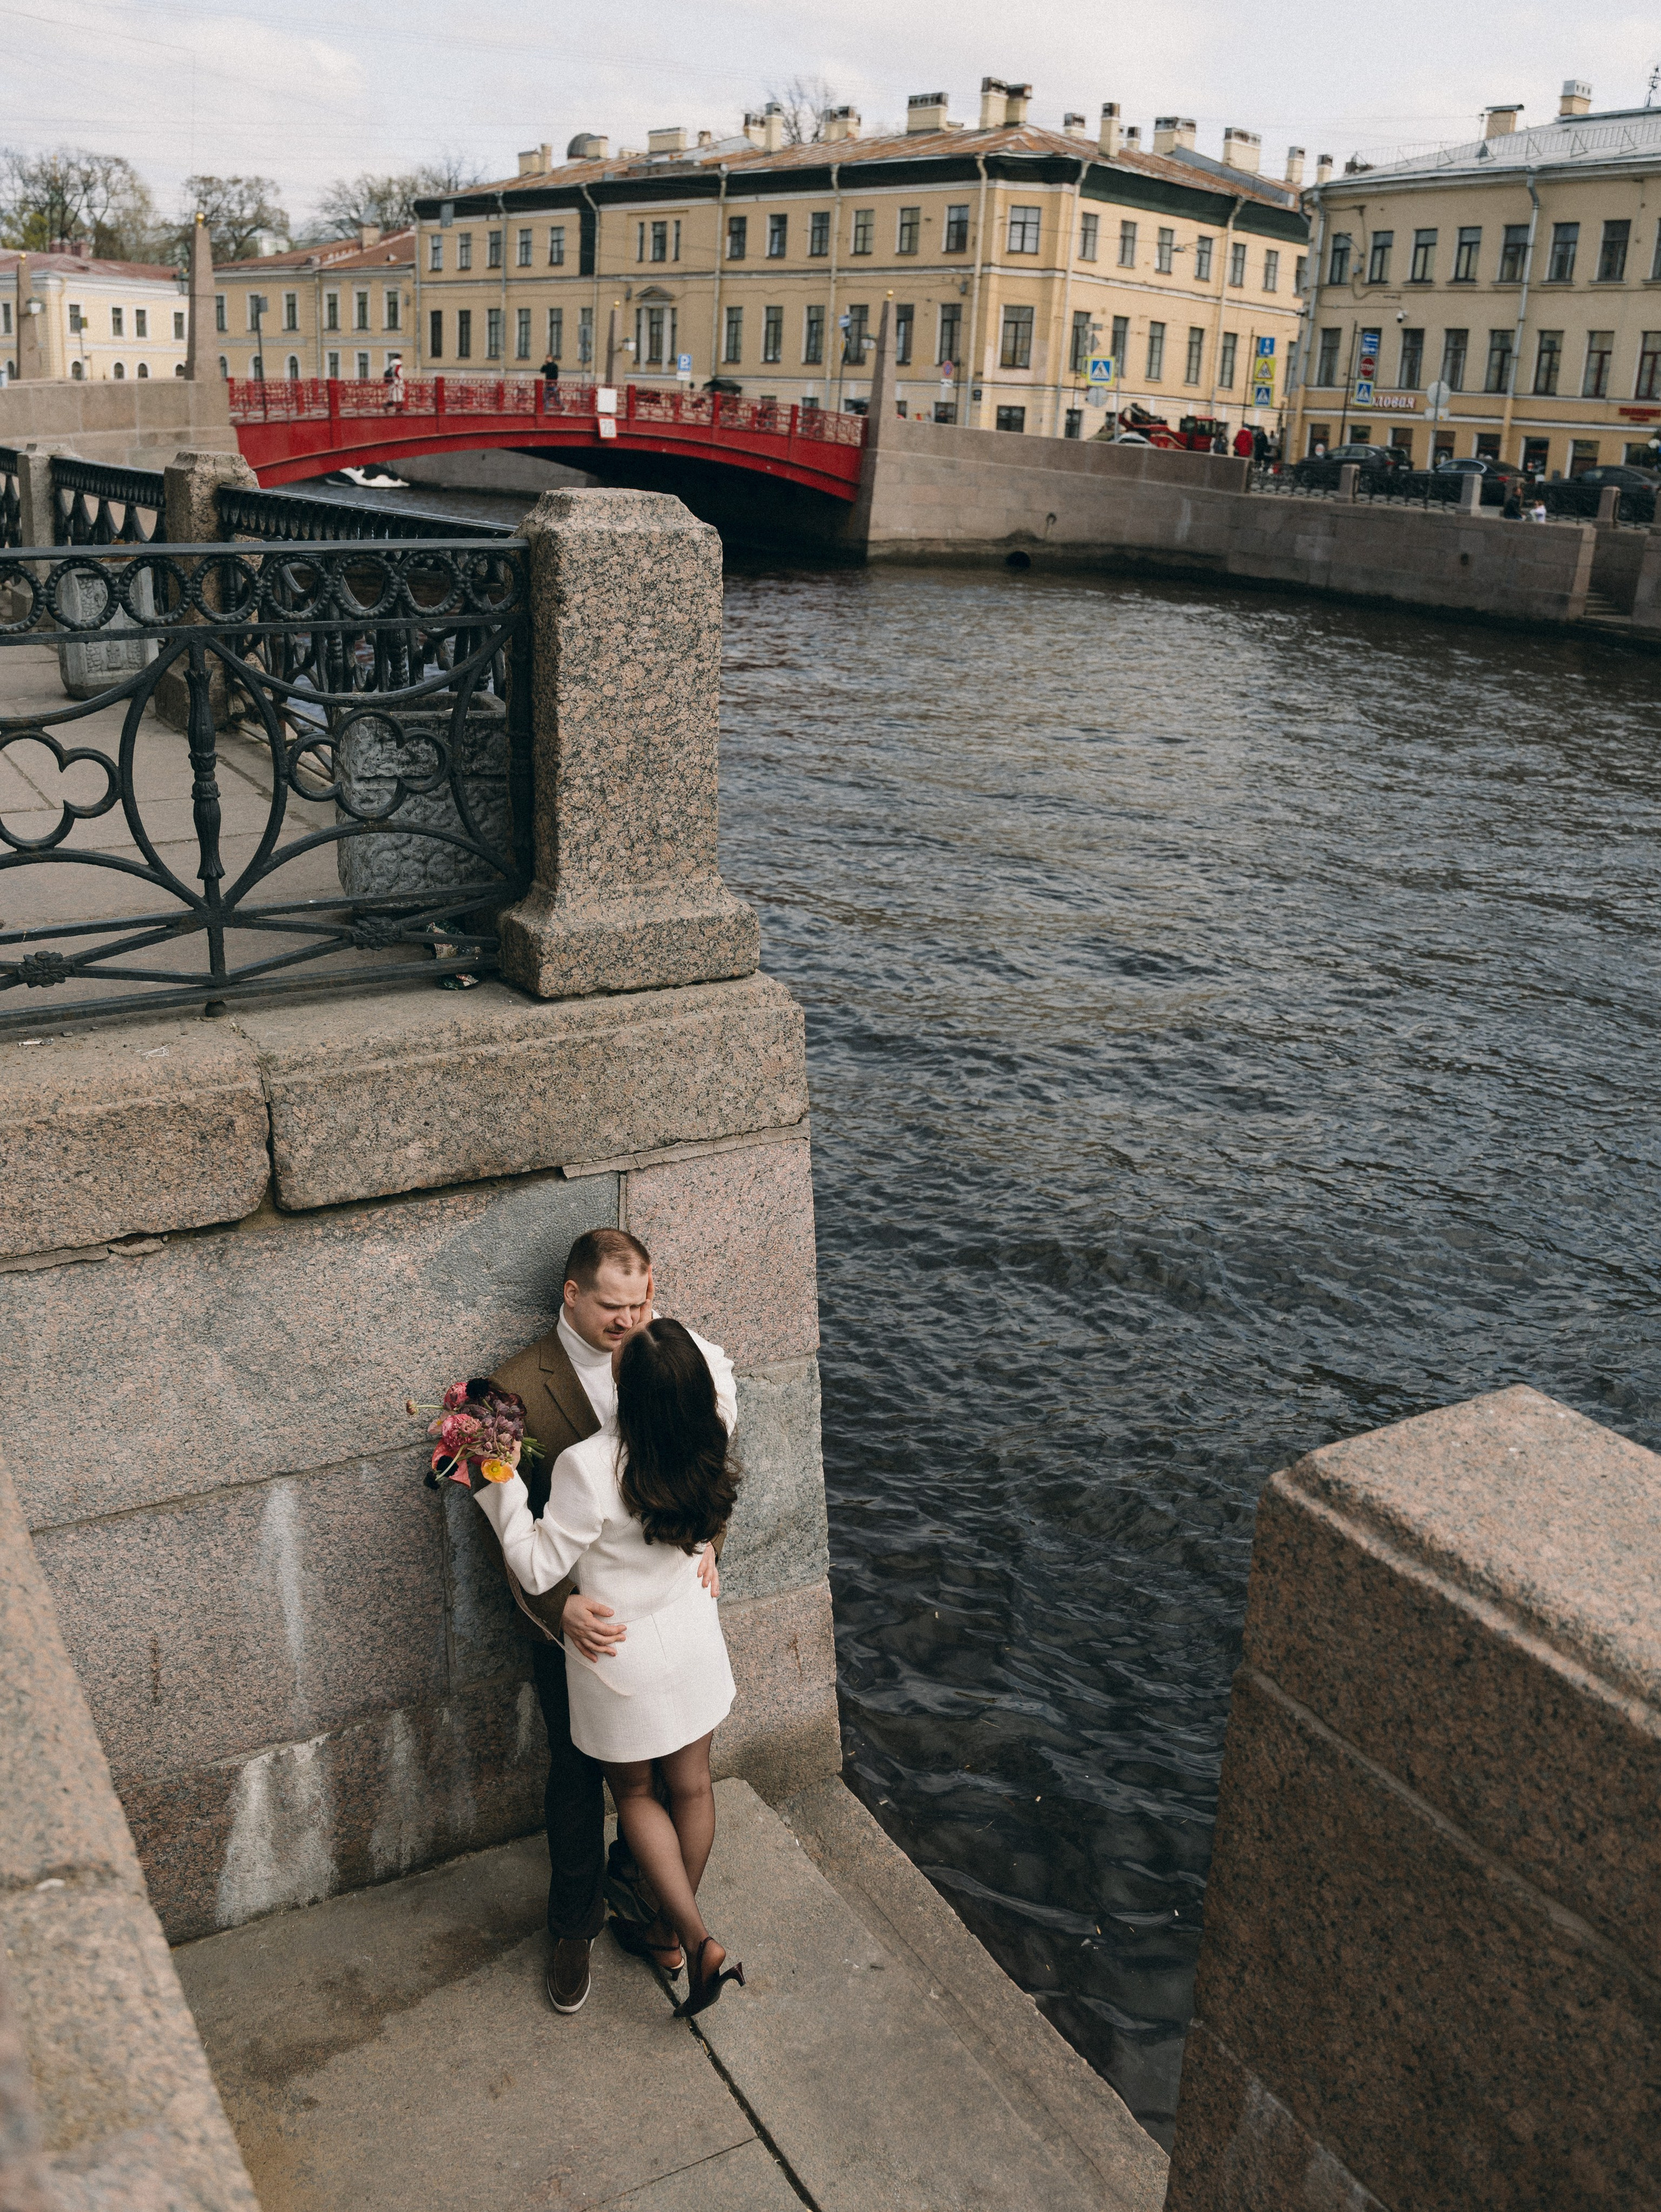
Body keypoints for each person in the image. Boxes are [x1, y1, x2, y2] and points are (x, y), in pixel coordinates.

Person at [482, 1229, 736, 2015]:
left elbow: (530, 1550)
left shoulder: (596, 1457)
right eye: (614, 1307)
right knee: (664, 1785)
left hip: (627, 1648)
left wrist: (491, 1480)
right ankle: (607, 1926)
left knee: (640, 1791)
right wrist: (563, 1610)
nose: (630, 1322)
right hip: (668, 1633)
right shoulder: (518, 1386)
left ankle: (682, 1934)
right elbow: (712, 1465)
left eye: (642, 1305)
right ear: (573, 1293)